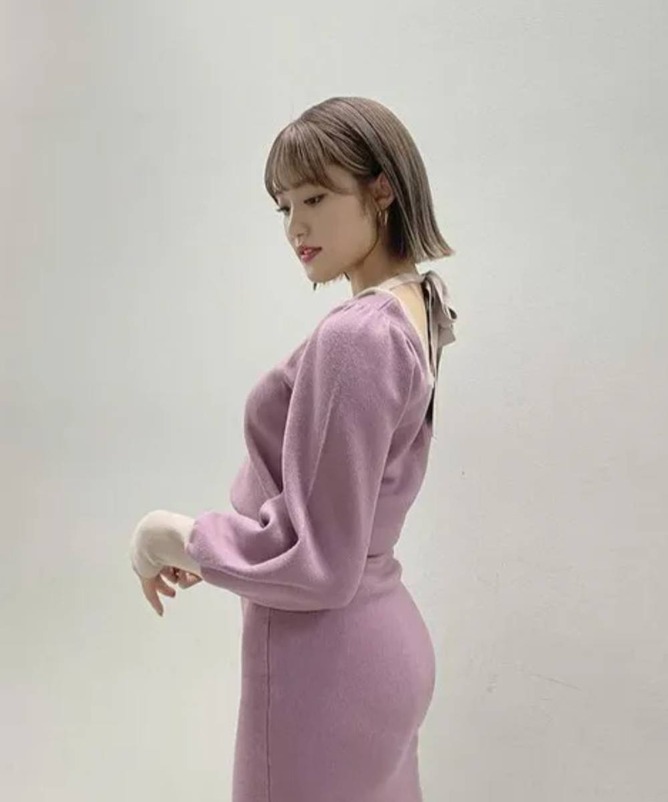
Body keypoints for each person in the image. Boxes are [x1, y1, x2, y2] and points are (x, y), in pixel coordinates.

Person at [129, 96, 458, 802]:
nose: (295, 227)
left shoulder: (356, 336)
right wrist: (238, 551)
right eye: (284, 206)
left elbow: (319, 563)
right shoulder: (419, 307)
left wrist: (174, 536)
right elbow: (338, 522)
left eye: (315, 197)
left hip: (325, 667)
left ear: (382, 190)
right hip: (379, 646)